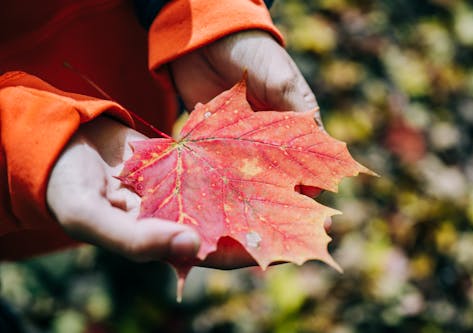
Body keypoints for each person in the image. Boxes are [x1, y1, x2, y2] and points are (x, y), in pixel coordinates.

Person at [0, 0, 320, 268]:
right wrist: (19, 144)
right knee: (131, 229)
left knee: (155, 237)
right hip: (25, 207)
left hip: (161, 66)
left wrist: (209, 11)